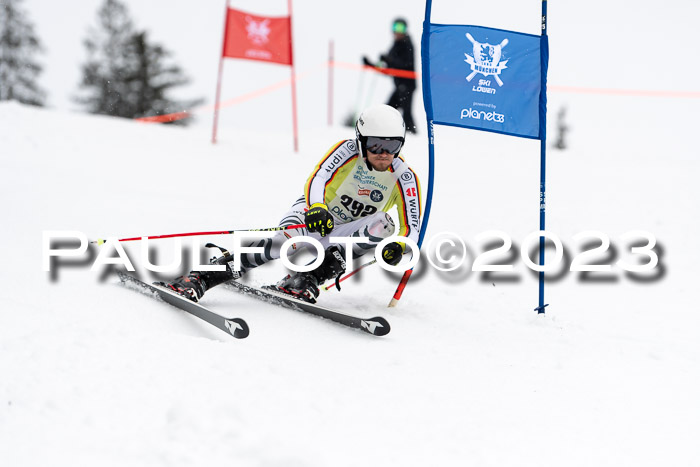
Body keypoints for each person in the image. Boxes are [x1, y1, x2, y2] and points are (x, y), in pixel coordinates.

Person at [162, 104, 422, 304]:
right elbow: (317, 179)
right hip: (315, 216)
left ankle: (306, 278)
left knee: (384, 226)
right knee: (279, 246)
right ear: (361, 140)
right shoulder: (346, 151)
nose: (384, 153)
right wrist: (317, 208)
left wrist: (398, 246)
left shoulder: (404, 176)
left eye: (392, 145)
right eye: (376, 145)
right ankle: (200, 277)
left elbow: (412, 225)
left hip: (345, 233)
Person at [363, 18, 417, 134]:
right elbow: (386, 67)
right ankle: (381, 131)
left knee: (406, 113)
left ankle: (413, 135)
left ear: (405, 30)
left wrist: (389, 60)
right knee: (389, 109)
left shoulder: (407, 44)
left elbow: (406, 64)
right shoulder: (395, 45)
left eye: (401, 28)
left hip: (407, 85)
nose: (398, 31)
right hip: (399, 86)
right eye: (395, 28)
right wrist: (370, 64)